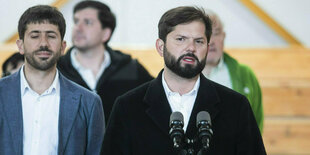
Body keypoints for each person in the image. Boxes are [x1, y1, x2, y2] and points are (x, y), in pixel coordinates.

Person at [102, 6, 266, 155]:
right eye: (181, 39)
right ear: (161, 47)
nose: (191, 48)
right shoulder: (127, 107)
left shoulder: (236, 106)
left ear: (207, 48)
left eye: (199, 41)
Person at [0, 5, 105, 154]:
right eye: (35, 36)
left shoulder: (88, 102)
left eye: (51, 36)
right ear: (20, 45)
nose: (43, 43)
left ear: (63, 47)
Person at [57, 1, 153, 123]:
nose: (78, 28)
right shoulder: (57, 69)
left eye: (87, 22)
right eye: (76, 21)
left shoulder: (130, 69)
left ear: (105, 34)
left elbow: (157, 102)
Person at [202, 11, 264, 132]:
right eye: (206, 34)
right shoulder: (184, 76)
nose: (211, 41)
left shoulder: (245, 74)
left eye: (216, 33)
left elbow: (256, 120)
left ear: (223, 36)